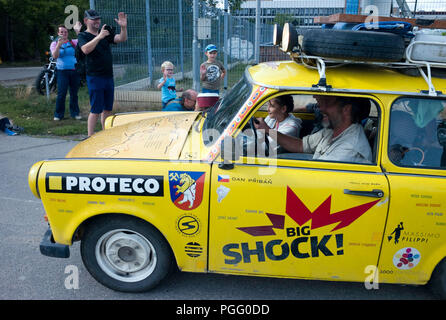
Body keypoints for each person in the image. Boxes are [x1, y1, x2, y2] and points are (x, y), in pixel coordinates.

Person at [255, 95, 372, 163]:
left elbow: (320, 178)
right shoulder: (332, 131)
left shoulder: (349, 149)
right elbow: (301, 145)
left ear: (346, 110)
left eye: (327, 103)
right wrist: (268, 130)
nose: (320, 108)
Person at [77, 9, 128, 136]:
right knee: (96, 109)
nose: (97, 21)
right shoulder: (83, 36)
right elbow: (85, 50)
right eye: (94, 19)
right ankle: (90, 135)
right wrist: (99, 37)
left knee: (107, 109)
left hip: (108, 76)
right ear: (86, 21)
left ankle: (105, 134)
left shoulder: (105, 33)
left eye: (98, 19)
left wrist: (123, 27)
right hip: (95, 77)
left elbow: (121, 38)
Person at [50, 22, 82, 121]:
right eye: (61, 32)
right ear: (58, 33)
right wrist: (59, 45)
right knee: (61, 93)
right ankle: (58, 115)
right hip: (62, 72)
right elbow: (55, 56)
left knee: (74, 93)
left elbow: (83, 42)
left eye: (65, 32)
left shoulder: (73, 42)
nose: (64, 34)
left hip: (74, 70)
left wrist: (78, 32)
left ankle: (75, 113)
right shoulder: (54, 44)